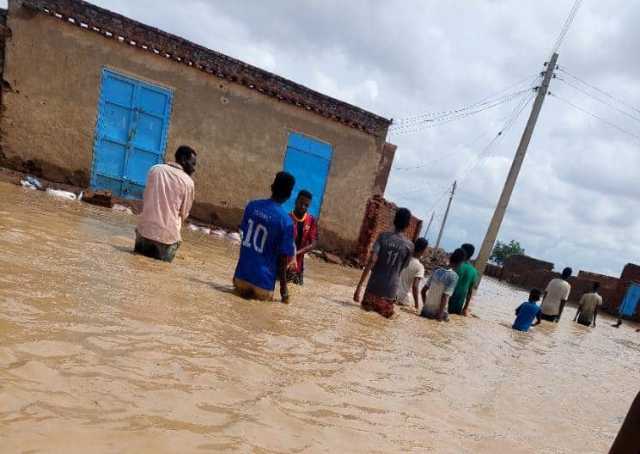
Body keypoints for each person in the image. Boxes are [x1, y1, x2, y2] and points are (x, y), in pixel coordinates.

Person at [233, 172, 296, 303]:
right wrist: (284, 291)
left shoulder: (251, 206)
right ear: (289, 195)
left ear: (272, 187)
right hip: (263, 283)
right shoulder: (286, 222)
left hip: (241, 276)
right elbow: (283, 259)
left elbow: (243, 238)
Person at [134, 145, 197, 263]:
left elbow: (145, 197)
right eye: (192, 163)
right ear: (183, 159)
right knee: (161, 275)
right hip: (167, 239)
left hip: (144, 232)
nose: (194, 168)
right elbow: (184, 214)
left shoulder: (155, 169)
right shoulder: (188, 182)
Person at [353, 208, 414, 318]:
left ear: (394, 220)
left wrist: (359, 287)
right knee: (382, 326)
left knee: (361, 320)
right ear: (408, 224)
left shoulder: (383, 237)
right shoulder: (409, 246)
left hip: (373, 287)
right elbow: (402, 268)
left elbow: (372, 261)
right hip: (390, 292)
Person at [420, 248, 465, 321]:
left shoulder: (436, 271)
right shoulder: (454, 276)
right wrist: (439, 315)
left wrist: (426, 306)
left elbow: (423, 291)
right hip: (437, 314)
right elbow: (445, 296)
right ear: (460, 263)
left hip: (425, 312)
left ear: (450, 258)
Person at [287, 190, 318, 285]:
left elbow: (313, 243)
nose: (303, 207)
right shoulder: (287, 218)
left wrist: (296, 253)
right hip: (284, 265)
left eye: (306, 205)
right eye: (301, 203)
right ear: (296, 201)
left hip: (298, 269)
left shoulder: (311, 220)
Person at [396, 238, 429, 309]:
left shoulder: (403, 259)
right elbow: (415, 286)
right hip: (402, 299)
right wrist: (417, 305)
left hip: (392, 293)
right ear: (423, 250)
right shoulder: (420, 267)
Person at [448, 243, 479, 316]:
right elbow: (470, 292)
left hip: (446, 300)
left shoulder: (456, 265)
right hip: (459, 305)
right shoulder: (474, 271)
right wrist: (465, 308)